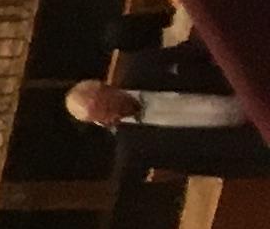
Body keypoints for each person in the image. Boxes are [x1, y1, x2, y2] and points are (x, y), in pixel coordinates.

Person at [68, 73, 270, 177]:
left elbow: (207, 54)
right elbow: (201, 165)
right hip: (256, 142)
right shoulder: (134, 149)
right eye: (104, 118)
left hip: (258, 90)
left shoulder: (145, 67)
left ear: (109, 87)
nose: (114, 115)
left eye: (109, 106)